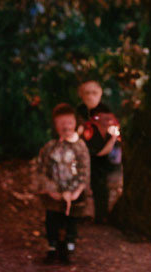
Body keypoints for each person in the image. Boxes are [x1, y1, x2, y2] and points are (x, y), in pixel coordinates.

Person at [36, 102, 93, 264]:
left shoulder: (80, 147)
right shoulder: (50, 147)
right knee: (52, 220)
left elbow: (84, 171)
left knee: (71, 222)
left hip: (74, 194)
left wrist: (74, 192)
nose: (66, 126)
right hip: (54, 193)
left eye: (69, 122)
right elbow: (42, 169)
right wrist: (50, 189)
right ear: (55, 125)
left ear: (75, 123)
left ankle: (69, 248)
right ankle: (52, 247)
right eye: (61, 123)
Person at [76, 79, 120, 223]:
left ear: (100, 94)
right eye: (87, 93)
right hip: (82, 152)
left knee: (100, 184)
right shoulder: (79, 111)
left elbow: (113, 131)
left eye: (94, 93)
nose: (90, 96)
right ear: (81, 95)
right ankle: (80, 214)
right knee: (79, 182)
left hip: (101, 153)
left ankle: (101, 216)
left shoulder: (106, 111)